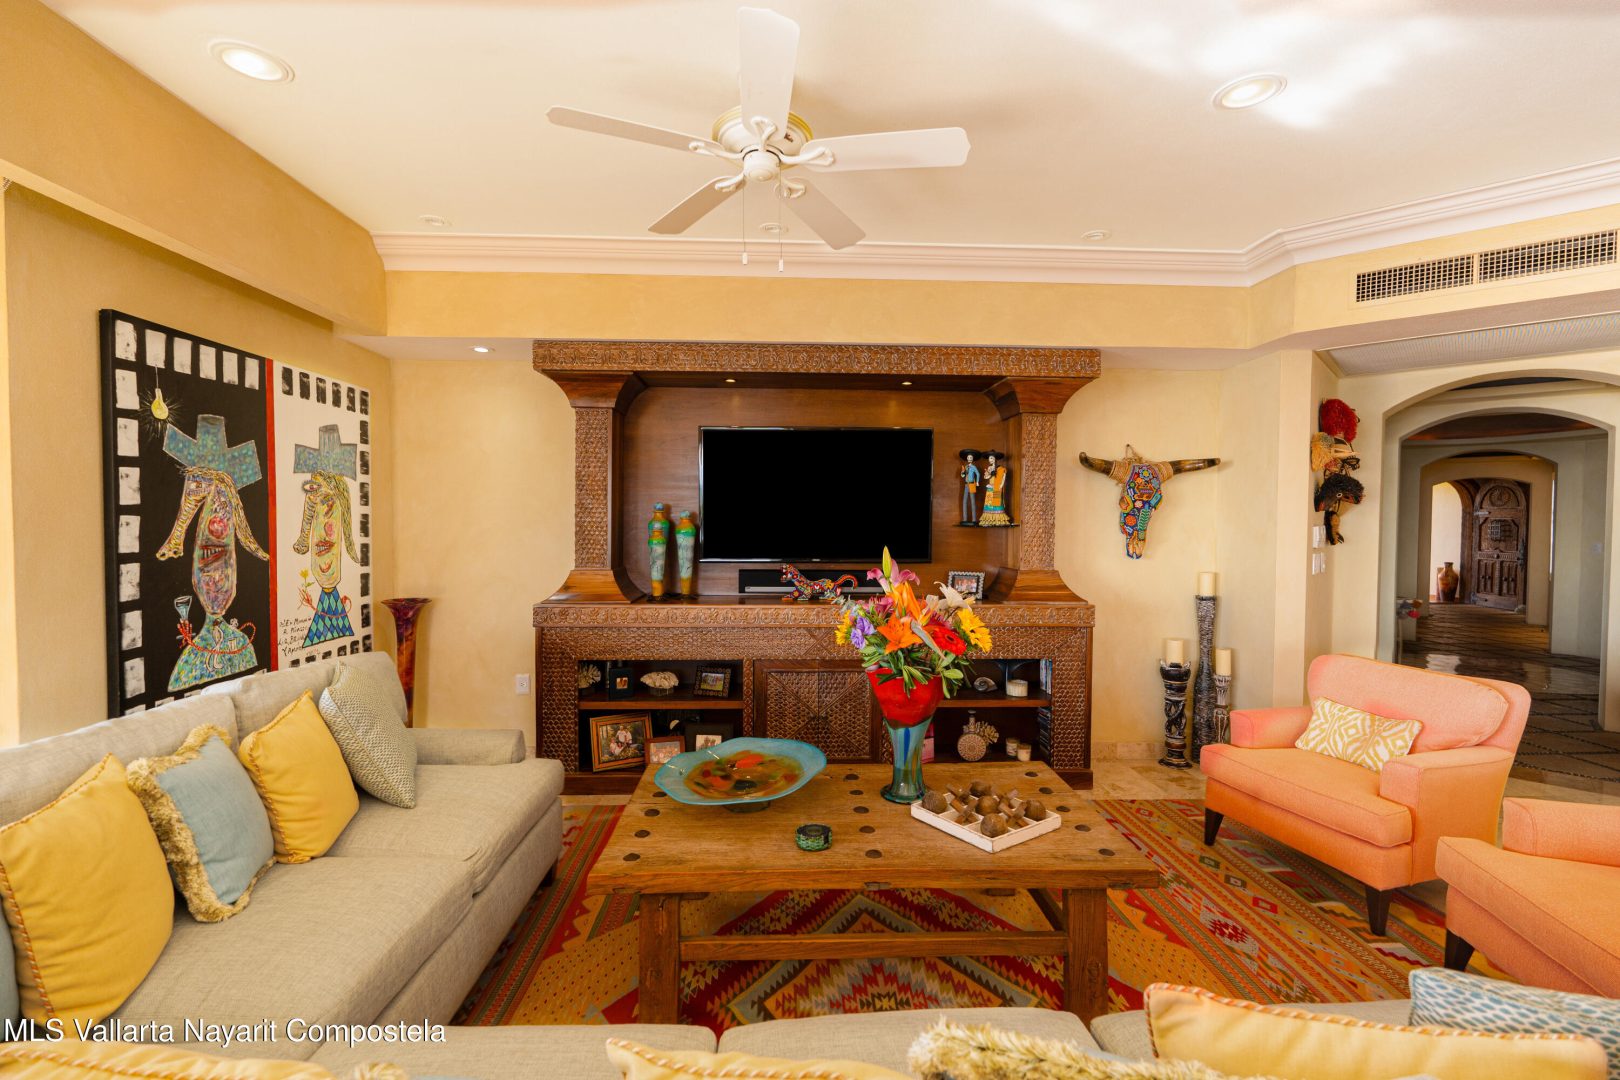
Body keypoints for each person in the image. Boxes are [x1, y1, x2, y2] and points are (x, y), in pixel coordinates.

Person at [958, 449, 981, 524]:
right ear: (967, 458)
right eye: (968, 457)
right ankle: (965, 519)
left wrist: (977, 481)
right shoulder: (966, 466)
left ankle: (974, 519)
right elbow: (963, 475)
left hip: (971, 484)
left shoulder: (973, 467)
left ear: (972, 458)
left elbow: (978, 474)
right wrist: (962, 473)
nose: (969, 458)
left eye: (971, 457)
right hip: (966, 485)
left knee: (972, 501)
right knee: (964, 501)